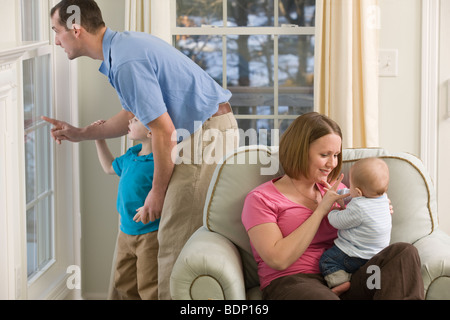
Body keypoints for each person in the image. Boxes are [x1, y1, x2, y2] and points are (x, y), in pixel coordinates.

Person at [44, 0, 239, 299]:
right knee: (167, 237)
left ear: (76, 28)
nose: (56, 40)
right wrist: (81, 133)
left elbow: (163, 131)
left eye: (57, 31)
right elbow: (132, 117)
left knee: (171, 239)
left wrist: (157, 192)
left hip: (206, 135)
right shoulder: (120, 50)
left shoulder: (124, 61)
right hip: (199, 131)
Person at [241, 112, 424, 300]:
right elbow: (278, 260)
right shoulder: (260, 199)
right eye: (324, 155)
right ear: (299, 151)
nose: (332, 163)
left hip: (346, 276)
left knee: (404, 252)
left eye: (336, 155)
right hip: (294, 281)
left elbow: (364, 218)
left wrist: (378, 208)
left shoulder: (339, 190)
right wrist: (320, 211)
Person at [93, 117, 158, 300]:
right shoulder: (131, 155)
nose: (129, 120)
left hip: (150, 235)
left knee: (149, 284)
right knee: (124, 283)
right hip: (125, 232)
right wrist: (99, 139)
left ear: (151, 132)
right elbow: (108, 167)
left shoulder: (160, 162)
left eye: (136, 120)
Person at [319, 157, 392, 296]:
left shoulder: (359, 208)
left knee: (327, 261)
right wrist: (338, 194)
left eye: (351, 186)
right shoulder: (382, 198)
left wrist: (331, 209)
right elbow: (353, 195)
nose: (348, 188)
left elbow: (337, 221)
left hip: (355, 254)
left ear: (358, 192)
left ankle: (341, 282)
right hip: (376, 255)